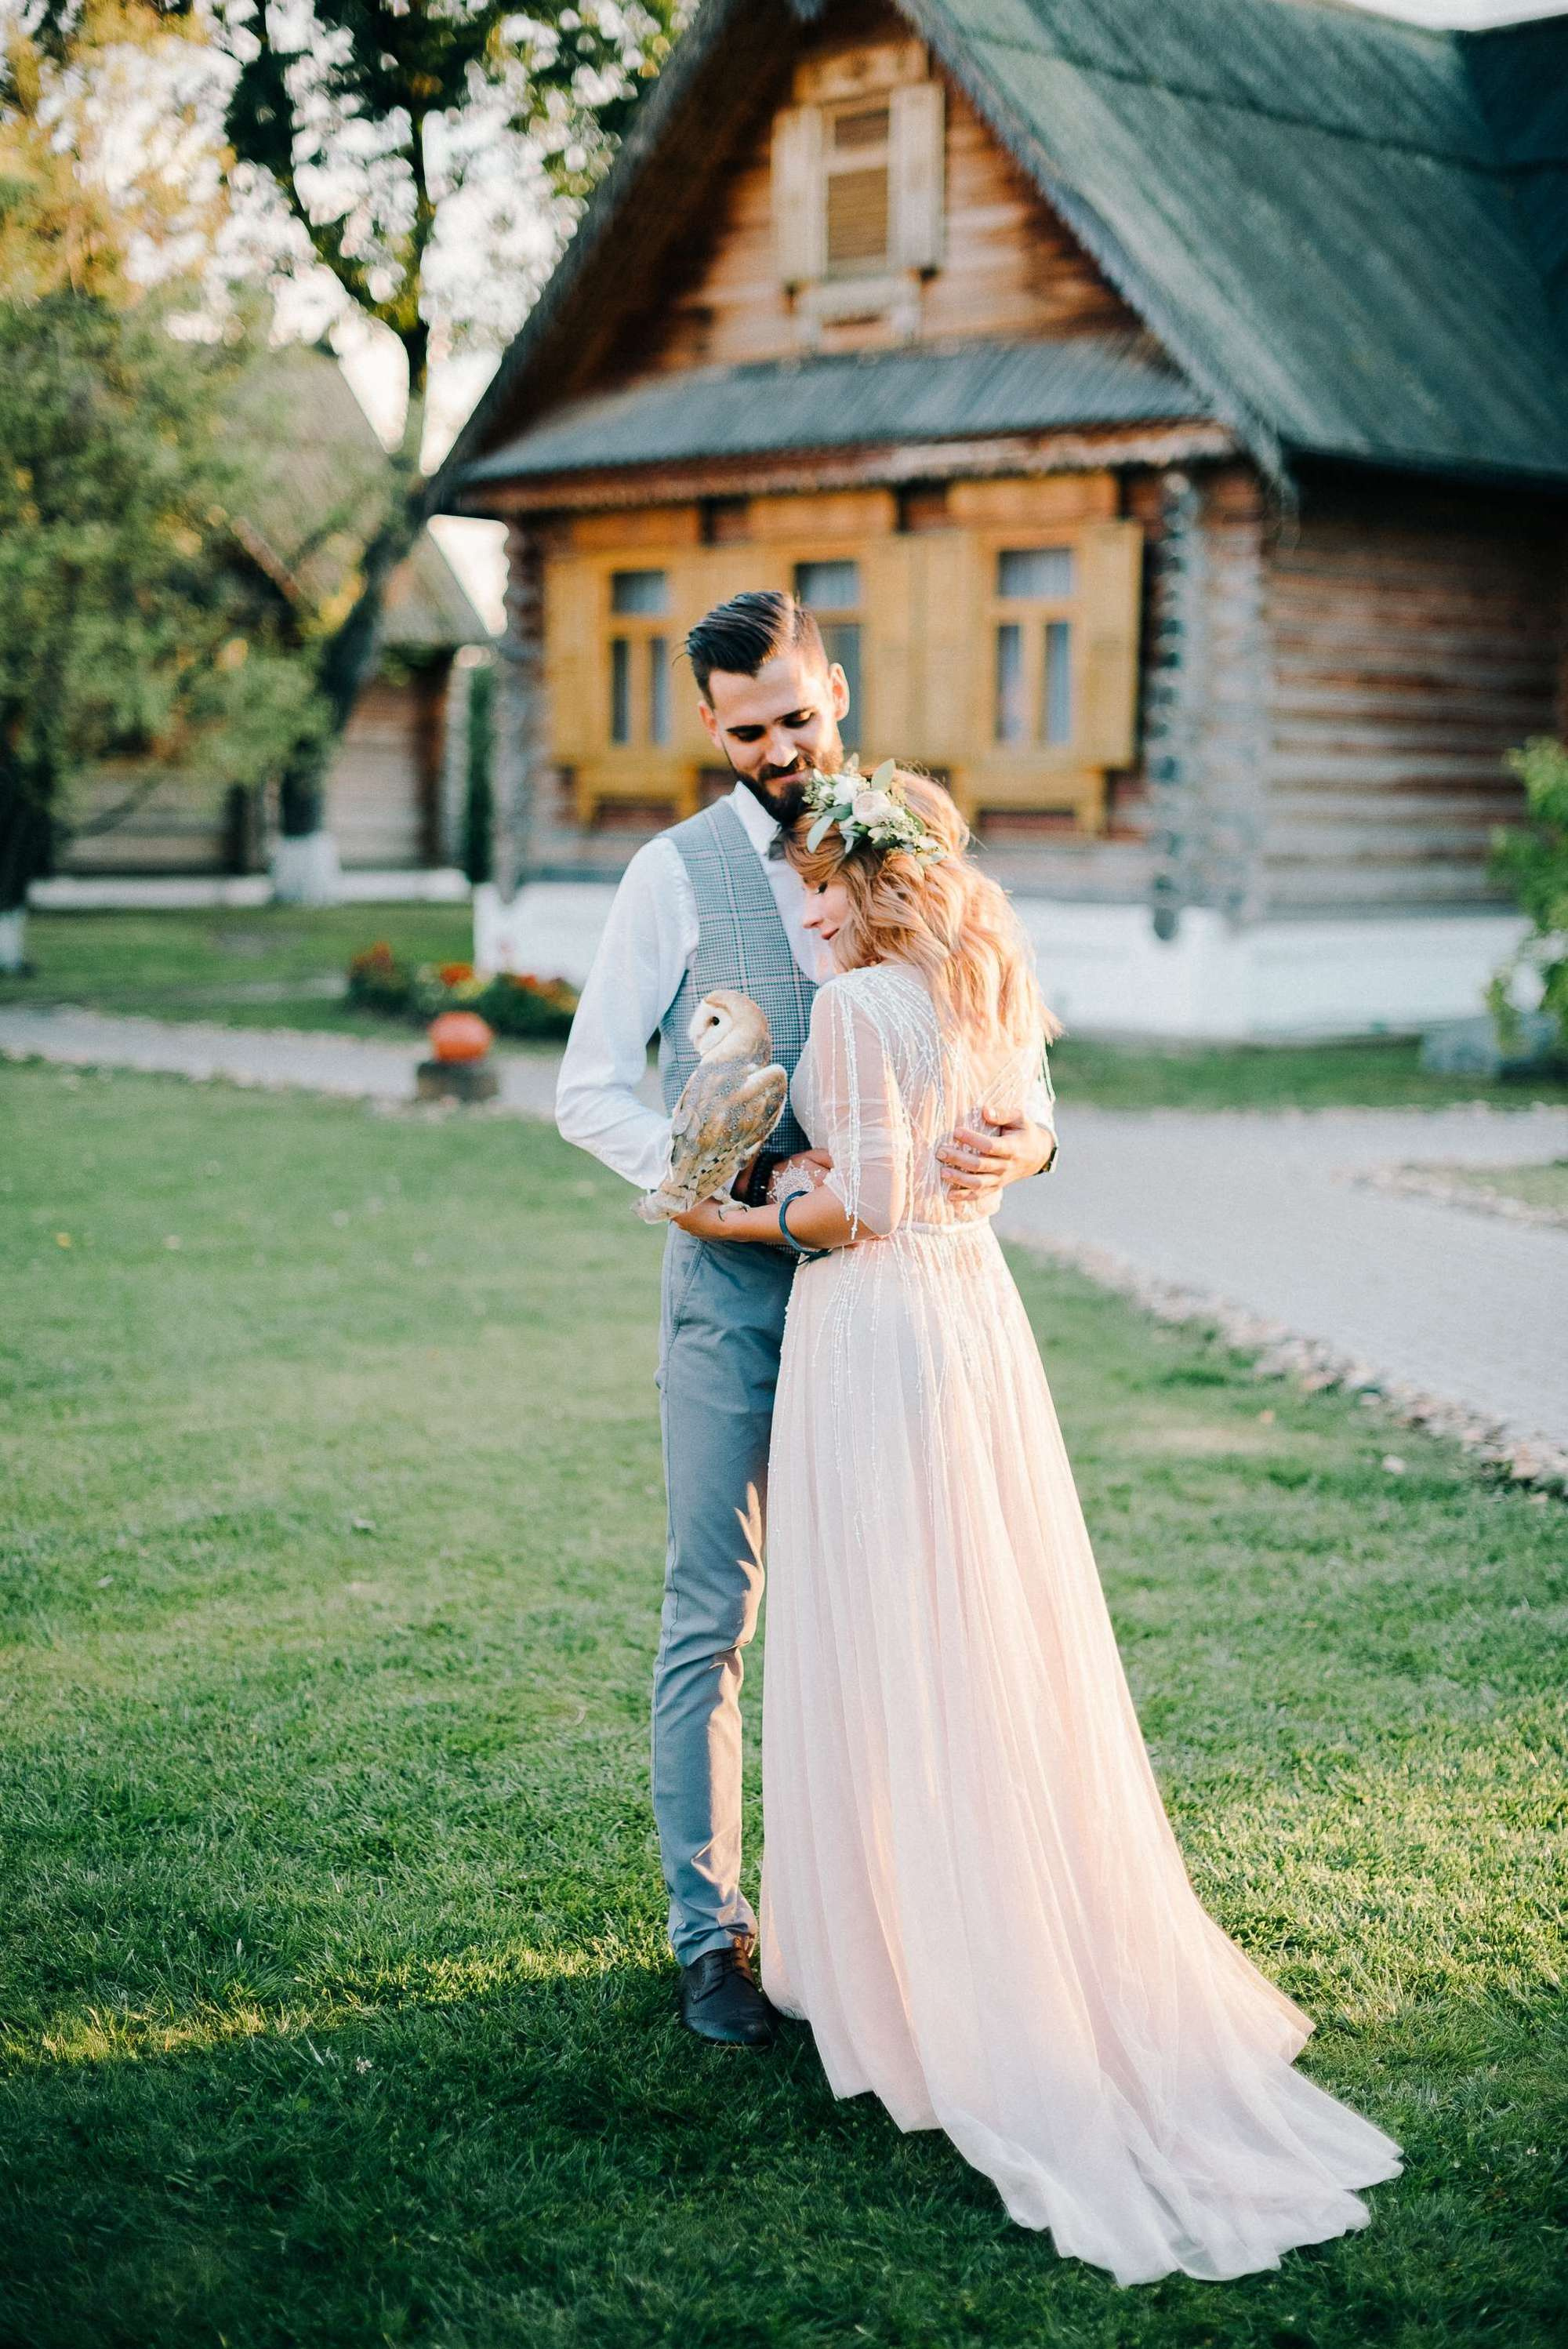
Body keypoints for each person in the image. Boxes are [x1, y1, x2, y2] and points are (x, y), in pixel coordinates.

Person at [670, 765, 1403, 2287]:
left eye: (822, 891)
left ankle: (909, 1966)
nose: (808, 918)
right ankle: (960, 1918)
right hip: (976, 1325)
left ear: (871, 883)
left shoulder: (860, 1008)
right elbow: (996, 1143)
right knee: (984, 1629)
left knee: (890, 1632)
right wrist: (824, 1165)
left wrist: (733, 1209)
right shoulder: (989, 981)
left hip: (876, 1327)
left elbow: (869, 1207)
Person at [555, 591, 1056, 2048]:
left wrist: (1031, 1142)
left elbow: (1004, 1044)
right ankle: (710, 1933)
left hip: (889, 1313)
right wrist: (715, 1186)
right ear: (711, 728)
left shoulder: (911, 841)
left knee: (896, 1606)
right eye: (745, 731)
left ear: (835, 691)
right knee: (714, 1609)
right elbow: (589, 1087)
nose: (777, 750)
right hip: (737, 1296)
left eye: (794, 717)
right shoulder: (672, 874)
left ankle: (893, 1919)